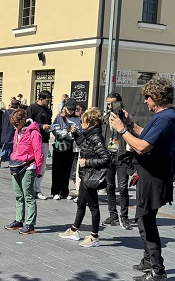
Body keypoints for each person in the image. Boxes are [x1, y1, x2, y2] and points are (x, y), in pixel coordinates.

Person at [110, 77, 175, 281]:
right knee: (144, 218)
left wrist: (122, 129)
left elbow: (142, 146)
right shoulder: (164, 116)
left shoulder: (165, 118)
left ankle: (158, 270)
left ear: (156, 97)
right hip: (151, 174)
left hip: (153, 177)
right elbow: (145, 136)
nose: (146, 102)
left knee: (146, 220)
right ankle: (149, 259)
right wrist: (130, 123)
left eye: (147, 98)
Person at [59, 107, 110, 247]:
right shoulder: (89, 135)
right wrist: (76, 134)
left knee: (93, 207)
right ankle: (75, 230)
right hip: (85, 175)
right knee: (81, 203)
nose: (82, 124)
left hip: (91, 176)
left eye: (83, 121)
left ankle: (94, 236)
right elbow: (84, 146)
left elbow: (106, 158)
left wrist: (86, 162)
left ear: (90, 122)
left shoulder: (96, 137)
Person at [3, 109, 44, 235]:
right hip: (16, 165)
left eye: (16, 123)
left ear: (22, 120)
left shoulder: (34, 133)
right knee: (18, 194)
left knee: (29, 196)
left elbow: (39, 152)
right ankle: (19, 220)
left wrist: (38, 170)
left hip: (28, 166)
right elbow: (15, 148)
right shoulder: (17, 132)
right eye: (13, 124)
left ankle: (30, 224)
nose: (14, 126)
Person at [103, 93, 133, 230]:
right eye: (108, 104)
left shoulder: (125, 118)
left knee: (122, 187)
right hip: (109, 156)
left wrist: (126, 120)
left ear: (119, 104)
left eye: (113, 104)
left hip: (122, 156)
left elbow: (132, 132)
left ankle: (124, 217)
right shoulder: (105, 118)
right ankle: (113, 215)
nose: (110, 107)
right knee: (109, 187)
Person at [50, 100, 80, 200]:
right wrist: (66, 131)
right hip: (60, 145)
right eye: (69, 109)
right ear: (65, 108)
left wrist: (75, 131)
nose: (71, 111)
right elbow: (55, 132)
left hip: (71, 145)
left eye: (73, 109)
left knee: (67, 169)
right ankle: (55, 192)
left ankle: (64, 191)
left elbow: (81, 130)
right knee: (57, 169)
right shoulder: (59, 118)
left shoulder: (77, 119)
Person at [27, 91, 53, 200]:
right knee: (33, 165)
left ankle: (37, 189)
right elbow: (28, 124)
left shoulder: (48, 110)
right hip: (34, 141)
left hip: (45, 140)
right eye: (48, 100)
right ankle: (30, 189)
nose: (49, 102)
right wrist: (41, 126)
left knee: (42, 167)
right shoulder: (31, 108)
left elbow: (49, 123)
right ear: (41, 98)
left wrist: (51, 127)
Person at [0, 99, 20, 167]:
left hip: (5, 130)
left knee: (5, 146)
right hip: (13, 130)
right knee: (13, 147)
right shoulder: (17, 113)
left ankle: (0, 157)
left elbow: (2, 121)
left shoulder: (6, 112)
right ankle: (11, 160)